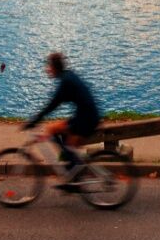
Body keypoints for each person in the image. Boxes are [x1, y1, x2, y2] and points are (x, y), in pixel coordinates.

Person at [21, 52, 101, 187]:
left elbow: (51, 105)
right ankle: (71, 170)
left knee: (54, 131)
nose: (47, 69)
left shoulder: (65, 82)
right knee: (58, 133)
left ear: (54, 67)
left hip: (86, 118)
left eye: (48, 66)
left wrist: (34, 121)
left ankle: (73, 176)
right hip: (87, 115)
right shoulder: (68, 76)